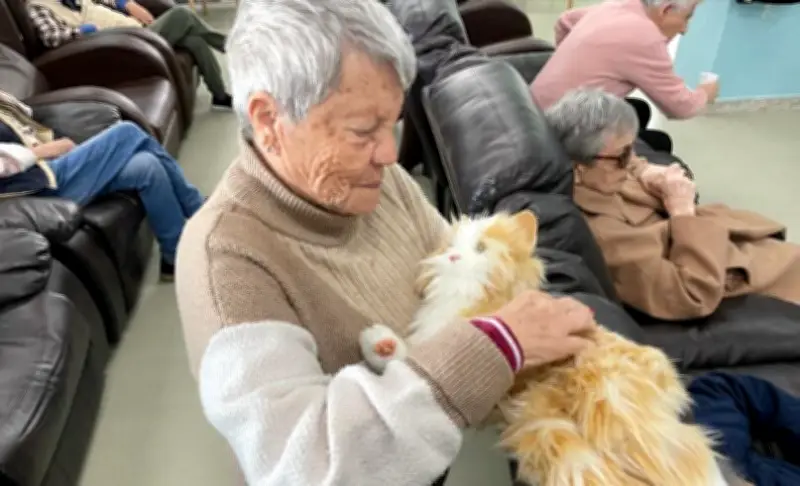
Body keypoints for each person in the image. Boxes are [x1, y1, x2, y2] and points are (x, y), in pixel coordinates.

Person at [174, 0, 597, 484]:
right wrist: (495, 345)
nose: (390, 153)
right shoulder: (226, 261)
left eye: (391, 122)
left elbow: (457, 274)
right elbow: (305, 465)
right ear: (269, 119)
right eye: (362, 131)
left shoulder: (375, 180)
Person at [544, 88, 800, 321]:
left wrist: (645, 170)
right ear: (578, 168)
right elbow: (689, 295)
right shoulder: (605, 236)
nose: (630, 160)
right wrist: (682, 212)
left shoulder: (597, 174)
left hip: (736, 245)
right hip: (730, 270)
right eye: (623, 155)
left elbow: (626, 160)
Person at [0, 91, 204, 281]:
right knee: (128, 131)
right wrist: (47, 150)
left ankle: (173, 256)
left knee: (147, 166)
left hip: (49, 167)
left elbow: (25, 114)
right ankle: (198, 209)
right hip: (40, 184)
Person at [531, 0, 719, 152]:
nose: (684, 30)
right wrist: (705, 93)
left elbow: (565, 21)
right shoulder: (645, 38)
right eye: (686, 18)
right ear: (666, 10)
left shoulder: (619, 5)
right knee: (660, 141)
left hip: (533, 112)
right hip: (558, 132)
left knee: (639, 109)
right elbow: (680, 107)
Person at [28, 0, 232, 109]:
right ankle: (230, 46)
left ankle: (220, 95)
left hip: (137, 31)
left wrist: (124, 3)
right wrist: (82, 32)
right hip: (123, 44)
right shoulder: (38, 6)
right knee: (182, 14)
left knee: (194, 41)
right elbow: (52, 36)